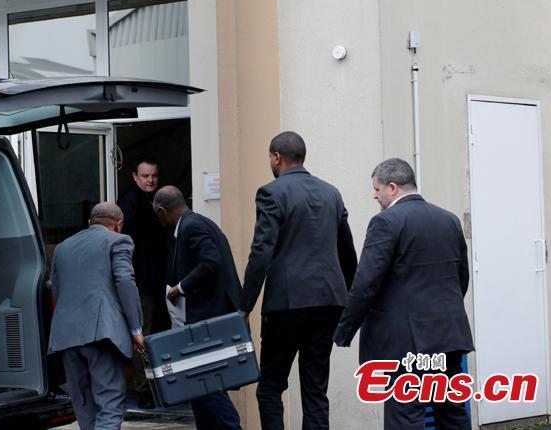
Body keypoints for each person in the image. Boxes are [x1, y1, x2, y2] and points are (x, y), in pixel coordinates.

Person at [333, 158, 474, 429]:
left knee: (405, 415)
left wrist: (344, 331)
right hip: (448, 336)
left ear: (392, 187)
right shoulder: (449, 220)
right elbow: (461, 278)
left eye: (376, 189)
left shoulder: (386, 222)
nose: (374, 195)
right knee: (452, 414)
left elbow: (365, 283)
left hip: (405, 343)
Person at [239, 131, 357, 430]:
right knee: (315, 388)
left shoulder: (271, 192)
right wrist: (351, 297)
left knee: (270, 386)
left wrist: (245, 305)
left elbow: (261, 251)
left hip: (286, 303)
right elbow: (347, 248)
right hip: (330, 300)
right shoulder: (332, 192)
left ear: (276, 157)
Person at [48, 202, 145, 430]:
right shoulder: (118, 240)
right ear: (118, 224)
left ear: (90, 222)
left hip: (66, 334)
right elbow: (124, 282)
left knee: (84, 405)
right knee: (110, 404)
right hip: (101, 334)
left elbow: (56, 289)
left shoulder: (62, 247)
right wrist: (136, 329)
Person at [154, 186, 243, 430]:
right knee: (199, 386)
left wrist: (180, 288)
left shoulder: (192, 226)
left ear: (162, 211)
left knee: (204, 382)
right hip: (209, 315)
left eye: (158, 216)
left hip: (208, 318)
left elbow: (210, 261)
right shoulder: (197, 223)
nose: (160, 222)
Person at [116, 157, 169, 406]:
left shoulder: (155, 201)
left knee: (152, 335)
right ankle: (144, 390)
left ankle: (156, 386)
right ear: (135, 177)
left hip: (155, 283)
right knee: (141, 337)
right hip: (139, 284)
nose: (150, 180)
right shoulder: (129, 205)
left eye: (154, 176)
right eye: (145, 176)